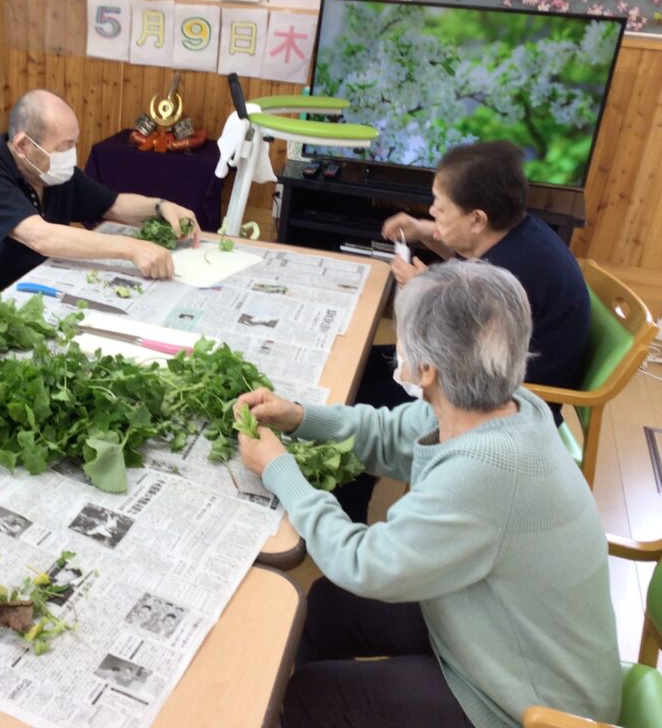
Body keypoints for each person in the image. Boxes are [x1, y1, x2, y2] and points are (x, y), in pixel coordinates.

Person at [236, 261, 620, 728]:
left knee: (314, 698)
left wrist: (280, 470)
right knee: (326, 606)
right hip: (487, 633)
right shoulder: (502, 404)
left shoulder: (487, 471)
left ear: (426, 369)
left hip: (528, 705)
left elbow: (364, 563)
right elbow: (387, 432)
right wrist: (299, 417)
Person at [342, 140, 589, 524]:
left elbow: (458, 339)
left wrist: (423, 287)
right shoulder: (517, 233)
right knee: (356, 366)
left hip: (506, 397)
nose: (432, 211)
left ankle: (349, 510)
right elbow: (469, 258)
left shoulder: (510, 274)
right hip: (494, 370)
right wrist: (425, 230)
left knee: (361, 398)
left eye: (440, 207)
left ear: (476, 219)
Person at [0, 89, 200, 299]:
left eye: (74, 143)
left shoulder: (54, 173)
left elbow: (114, 204)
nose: (71, 155)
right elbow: (40, 236)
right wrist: (131, 249)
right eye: (64, 146)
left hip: (40, 285)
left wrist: (161, 206)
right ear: (23, 146)